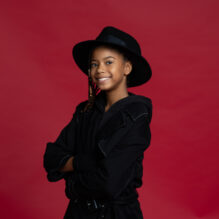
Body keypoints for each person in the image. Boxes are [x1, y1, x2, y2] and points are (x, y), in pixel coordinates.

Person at [43, 26, 153, 219]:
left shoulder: (136, 116)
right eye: (94, 64)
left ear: (127, 67)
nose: (100, 69)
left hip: (117, 214)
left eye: (108, 62)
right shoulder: (85, 111)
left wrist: (72, 183)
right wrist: (82, 162)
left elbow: (108, 183)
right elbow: (52, 157)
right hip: (77, 213)